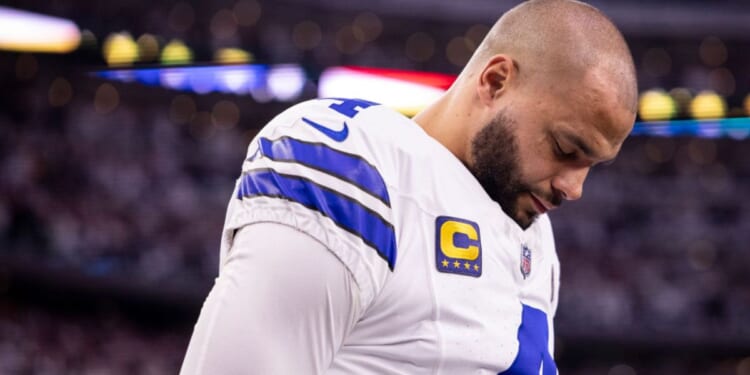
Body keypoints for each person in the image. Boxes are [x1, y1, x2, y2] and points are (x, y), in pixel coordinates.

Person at [180, 0, 637, 373]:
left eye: (593, 164)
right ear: (496, 81)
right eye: (564, 147)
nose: (574, 188)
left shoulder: (533, 234)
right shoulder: (354, 164)